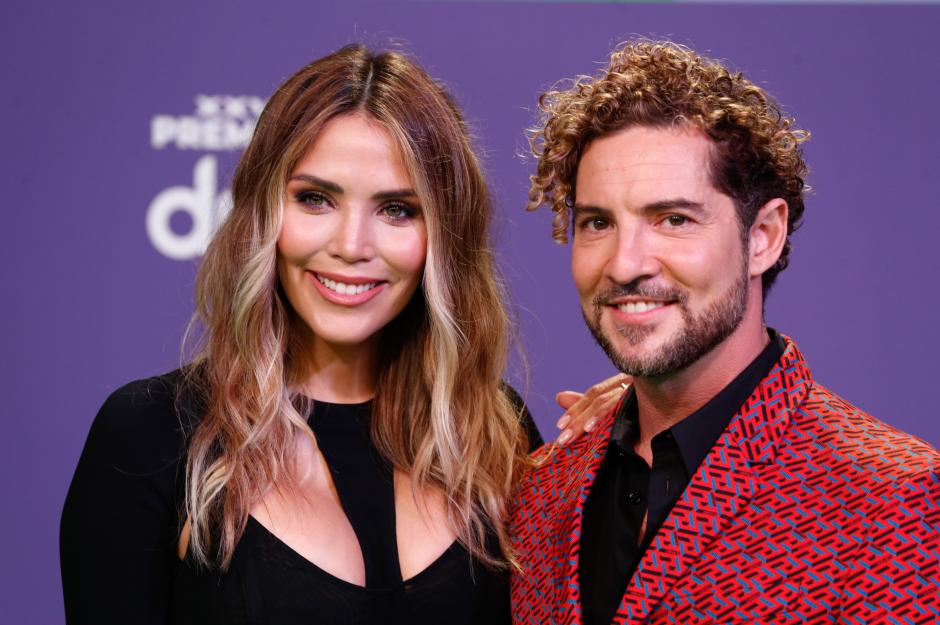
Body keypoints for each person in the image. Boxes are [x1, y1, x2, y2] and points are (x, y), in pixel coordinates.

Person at [60, 44, 615, 625]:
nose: (352, 245)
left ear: (442, 235)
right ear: (263, 213)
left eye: (397, 209)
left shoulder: (492, 430)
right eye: (315, 199)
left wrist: (636, 430)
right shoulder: (152, 434)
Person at [511, 40, 940, 625]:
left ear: (762, 236)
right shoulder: (539, 492)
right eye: (597, 223)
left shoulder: (903, 503)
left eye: (674, 219)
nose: (625, 262)